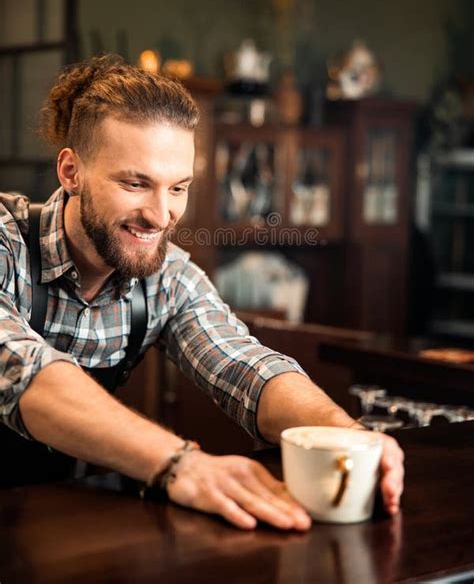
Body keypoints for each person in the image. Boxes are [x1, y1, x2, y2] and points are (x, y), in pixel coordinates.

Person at [0, 55, 404, 530]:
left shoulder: (167, 276)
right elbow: (20, 368)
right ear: (71, 172)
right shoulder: (7, 243)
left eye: (178, 188)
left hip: (50, 527)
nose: (160, 214)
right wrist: (180, 464)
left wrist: (347, 435)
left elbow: (244, 365)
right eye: (135, 183)